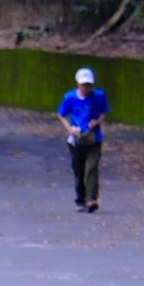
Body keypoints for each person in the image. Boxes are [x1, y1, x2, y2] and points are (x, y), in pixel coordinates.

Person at [58, 66, 109, 212]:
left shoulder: (99, 96)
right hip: (77, 139)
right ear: (78, 84)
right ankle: (80, 199)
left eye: (88, 85)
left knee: (91, 168)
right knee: (78, 170)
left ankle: (91, 199)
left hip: (94, 138)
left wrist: (97, 121)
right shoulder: (70, 97)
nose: (86, 88)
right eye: (83, 84)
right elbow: (61, 114)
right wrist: (70, 130)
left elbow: (104, 112)